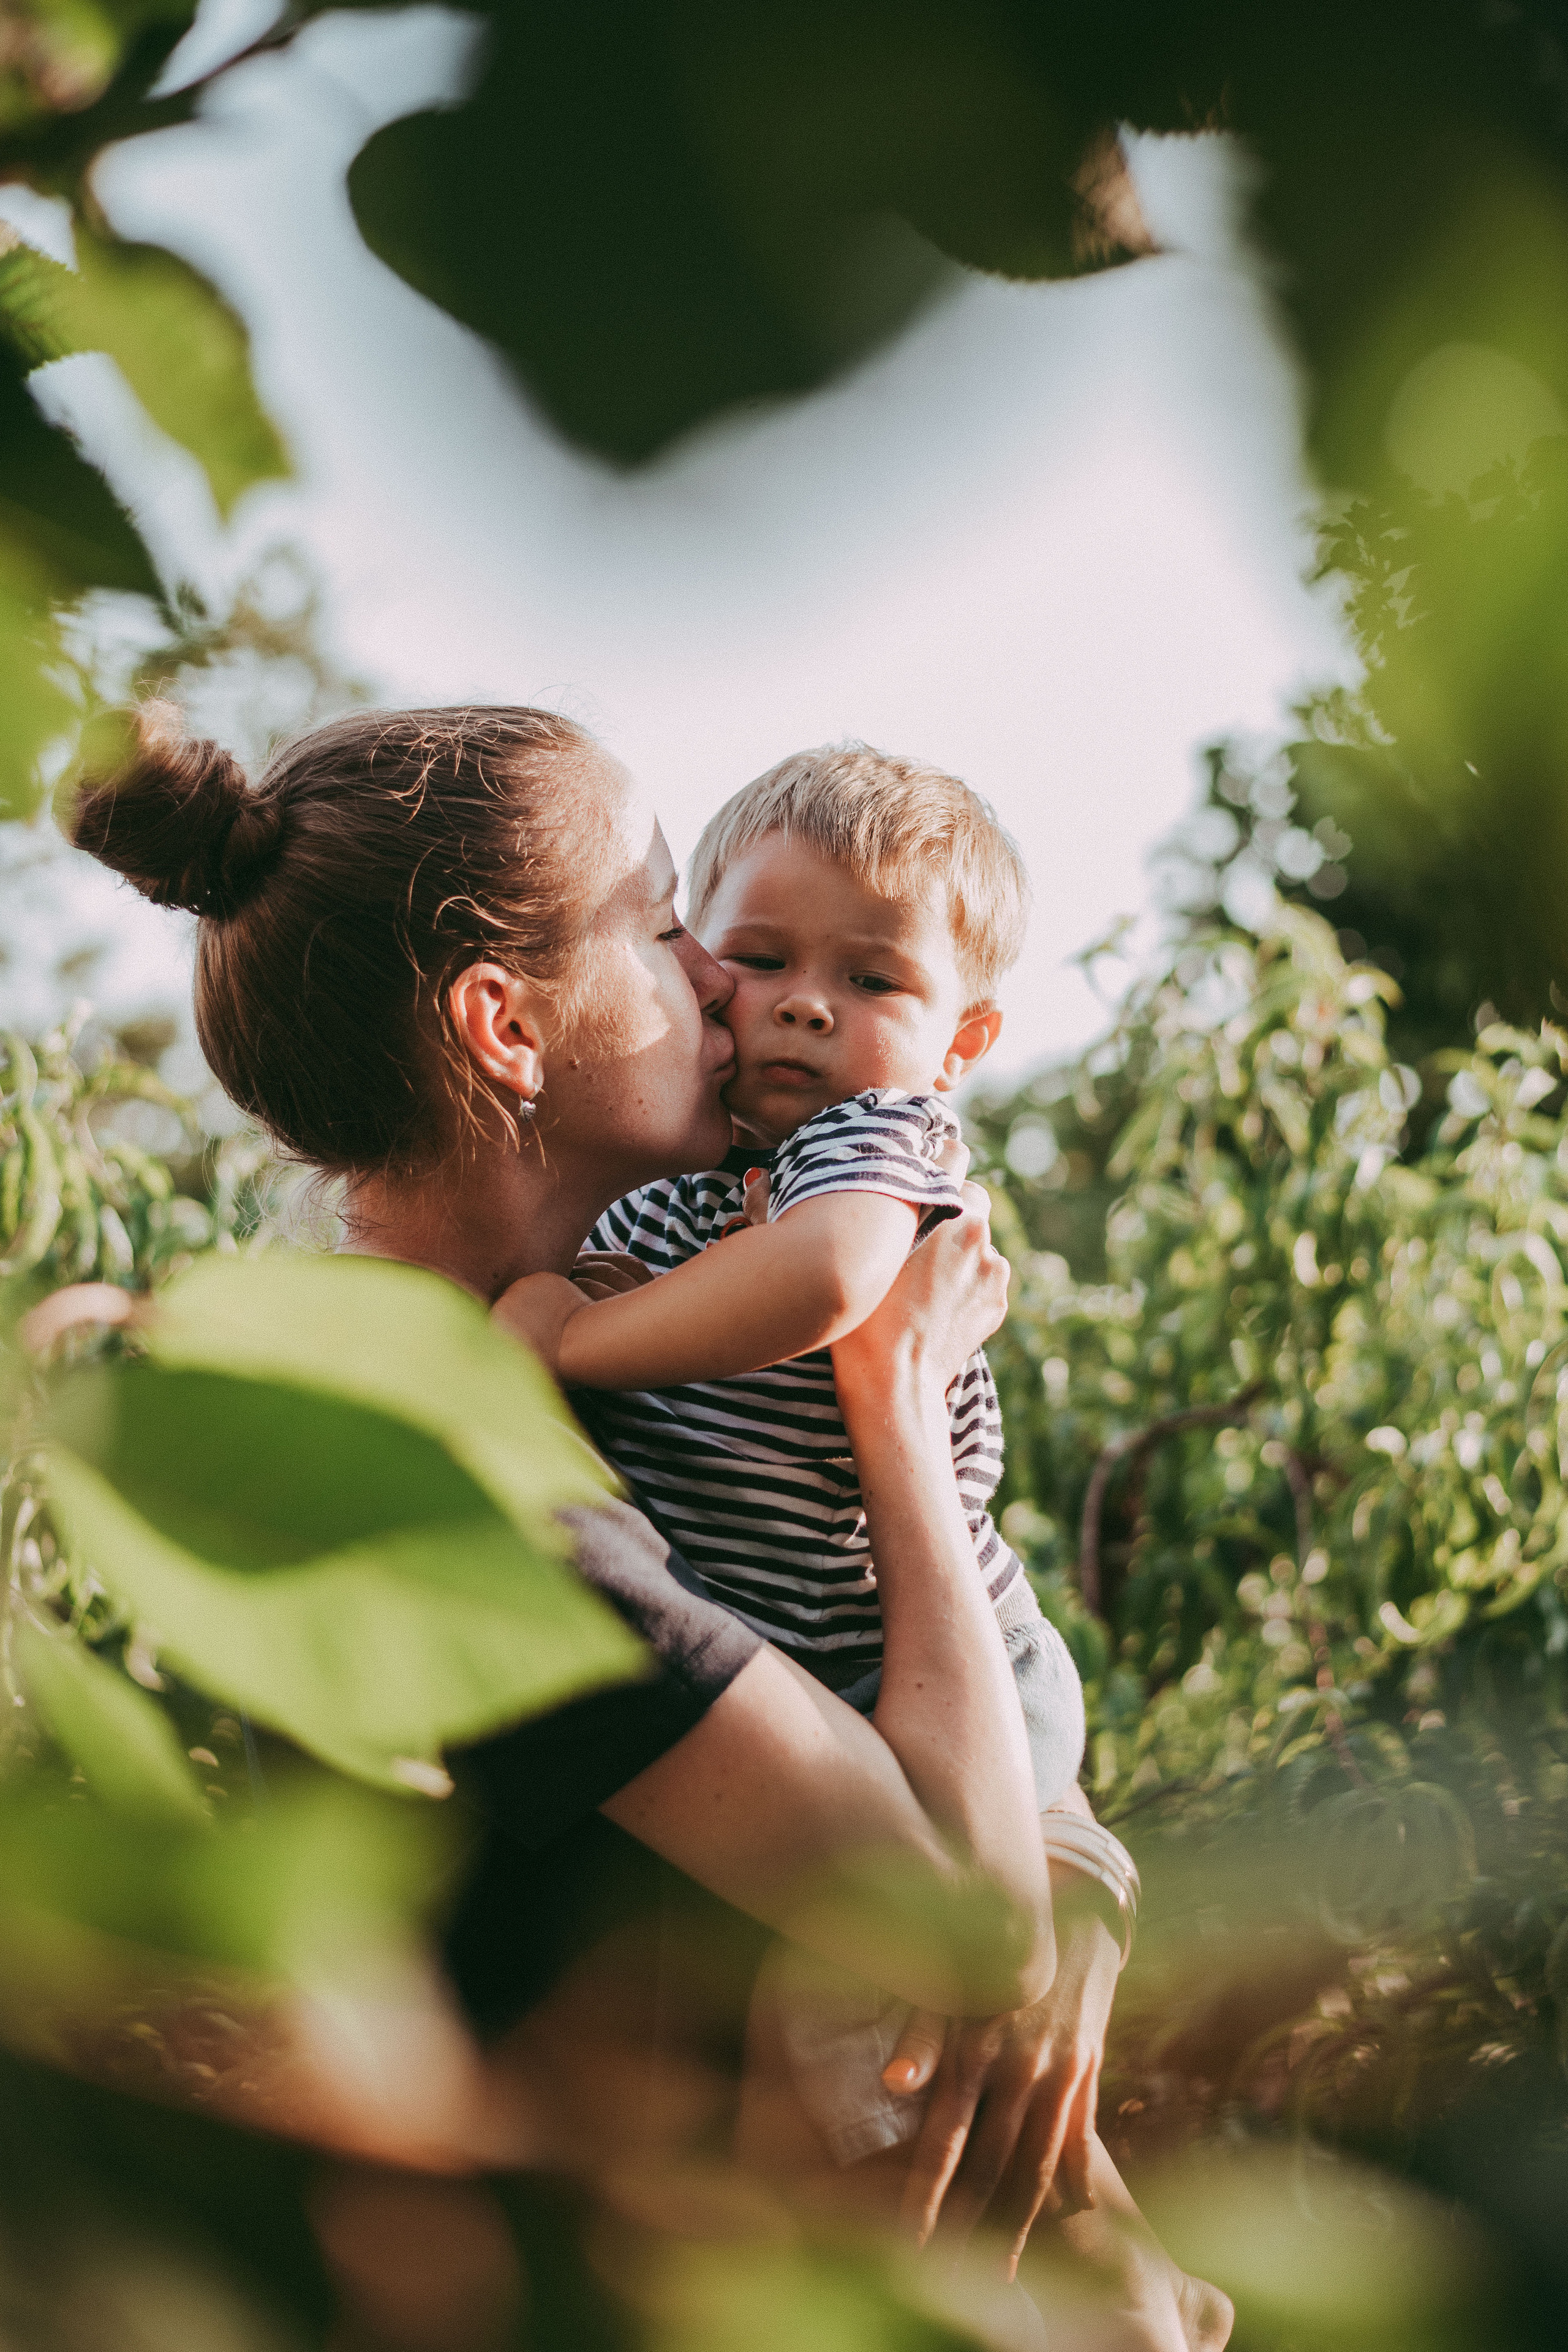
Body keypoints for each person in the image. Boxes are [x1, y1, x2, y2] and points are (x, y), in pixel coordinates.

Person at [67, 702, 1231, 2351]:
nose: (715, 979)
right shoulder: (456, 1498)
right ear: (503, 1027)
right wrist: (896, 1401)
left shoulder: (569, 1349)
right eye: (664, 921)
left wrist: (1079, 1863)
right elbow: (955, 1930)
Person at [490, 744, 1099, 2174]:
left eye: (875, 982)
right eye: (755, 956)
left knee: (860, 2041)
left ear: (960, 1045)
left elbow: (825, 1284)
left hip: (940, 1665)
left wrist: (569, 1339)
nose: (805, 1003)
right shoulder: (688, 1187)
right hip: (817, 1668)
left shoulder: (872, 1148)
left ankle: (1093, 2282)